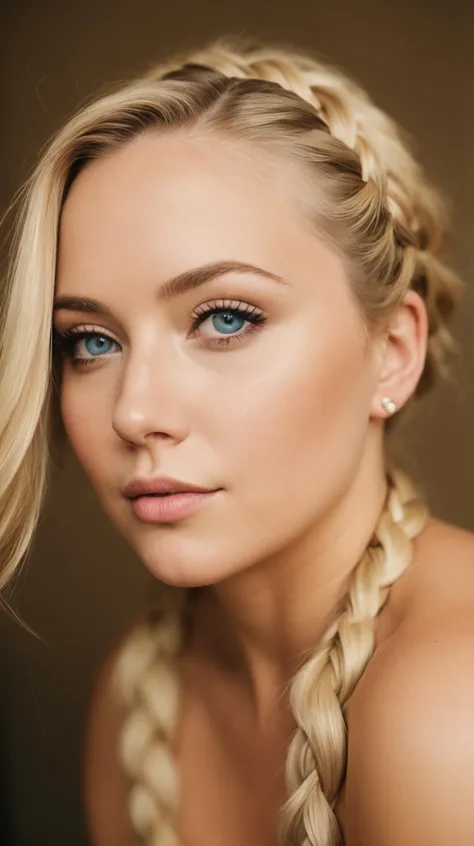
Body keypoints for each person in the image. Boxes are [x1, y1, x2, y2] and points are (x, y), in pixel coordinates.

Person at [1, 35, 473, 846]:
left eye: (226, 319)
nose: (134, 412)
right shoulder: (139, 694)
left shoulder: (451, 711)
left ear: (392, 350)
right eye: (90, 341)